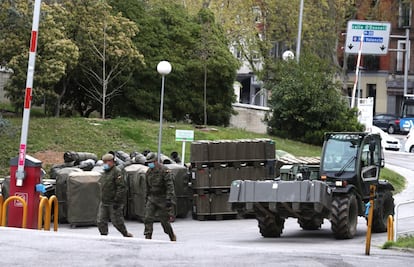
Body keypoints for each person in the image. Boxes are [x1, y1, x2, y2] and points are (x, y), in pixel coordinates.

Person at [97, 153, 133, 237]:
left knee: (117, 222)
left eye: (107, 162)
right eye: (104, 162)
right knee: (100, 221)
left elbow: (122, 188)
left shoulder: (117, 172)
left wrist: (117, 201)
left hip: (114, 202)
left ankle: (125, 234)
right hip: (104, 201)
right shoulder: (105, 173)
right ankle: (104, 235)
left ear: (112, 162)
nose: (105, 164)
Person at [144, 152, 176, 241]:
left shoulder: (164, 170)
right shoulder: (148, 172)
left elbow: (170, 186)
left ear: (156, 161)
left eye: (151, 162)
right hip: (152, 198)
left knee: (164, 221)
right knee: (148, 218)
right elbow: (147, 187)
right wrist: (146, 199)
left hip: (162, 198)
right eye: (148, 162)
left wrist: (169, 199)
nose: (150, 164)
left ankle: (171, 235)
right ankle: (148, 236)